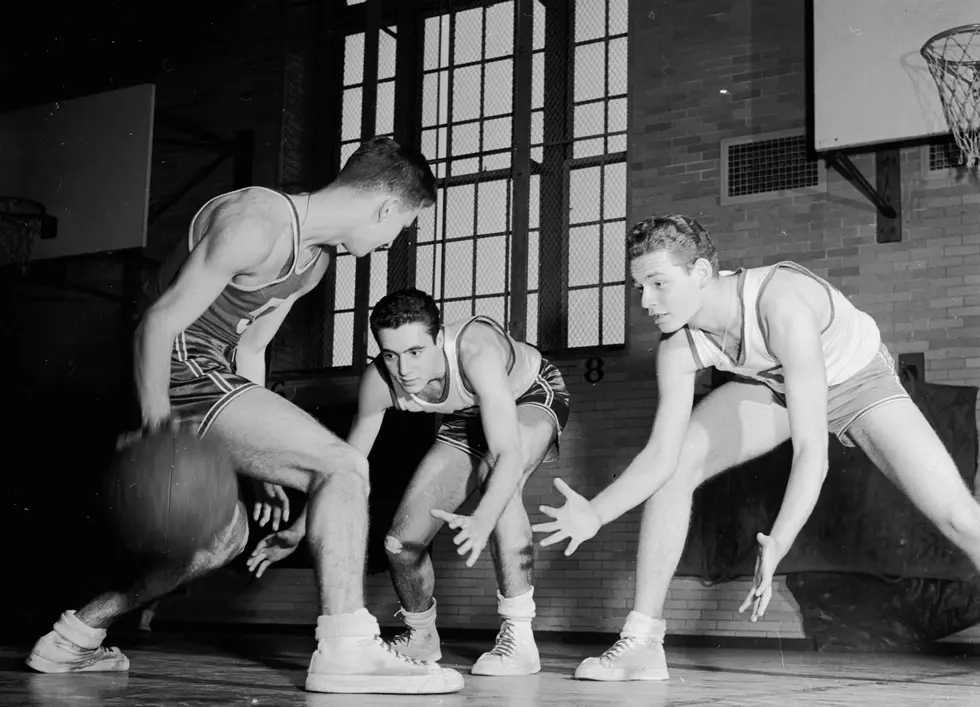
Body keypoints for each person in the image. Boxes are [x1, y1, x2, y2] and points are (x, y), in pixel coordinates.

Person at [25, 137, 465, 695]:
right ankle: (346, 650)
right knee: (344, 464)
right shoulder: (256, 221)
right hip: (175, 367)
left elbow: (251, 352)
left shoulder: (312, 261)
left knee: (222, 543)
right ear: (384, 208)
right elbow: (157, 326)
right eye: (399, 227)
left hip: (211, 377)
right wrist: (160, 435)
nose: (390, 241)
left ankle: (74, 636)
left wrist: (259, 461)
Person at [532, 214, 980, 681]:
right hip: (780, 389)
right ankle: (642, 641)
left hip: (859, 383)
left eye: (659, 283)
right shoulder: (678, 347)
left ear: (701, 273)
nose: (646, 301)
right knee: (681, 463)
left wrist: (780, 540)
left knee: (956, 515)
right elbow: (660, 457)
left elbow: (812, 452)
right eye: (639, 286)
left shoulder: (779, 305)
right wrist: (596, 513)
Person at [247, 288, 571, 676]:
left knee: (499, 484)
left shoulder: (476, 352)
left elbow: (508, 454)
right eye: (390, 355)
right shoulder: (380, 382)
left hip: (530, 394)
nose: (404, 369)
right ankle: (421, 635)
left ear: (438, 339)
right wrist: (299, 531)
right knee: (400, 543)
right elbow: (345, 468)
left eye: (415, 352)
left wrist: (483, 518)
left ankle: (519, 636)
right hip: (466, 418)